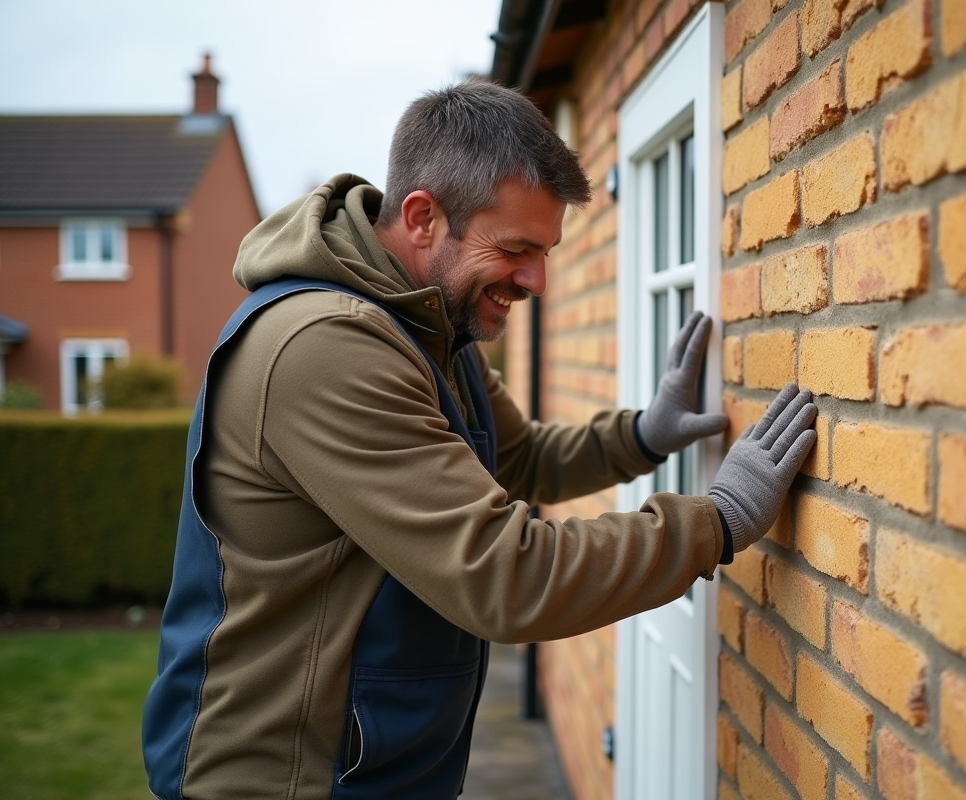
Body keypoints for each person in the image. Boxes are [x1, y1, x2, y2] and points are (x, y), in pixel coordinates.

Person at [142, 79, 817, 800]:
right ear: (424, 217)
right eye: (517, 249)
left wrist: (642, 437)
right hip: (287, 778)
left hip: (375, 766)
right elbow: (506, 575)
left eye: (547, 252)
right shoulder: (324, 347)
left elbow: (517, 459)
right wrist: (716, 522)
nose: (538, 281)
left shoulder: (432, 324)